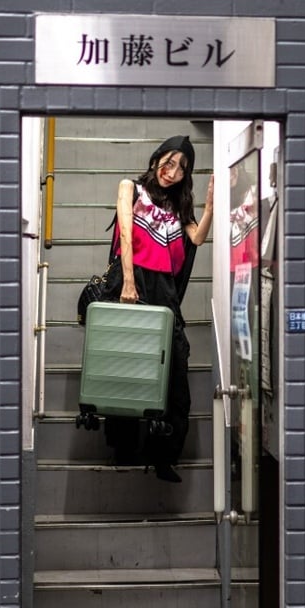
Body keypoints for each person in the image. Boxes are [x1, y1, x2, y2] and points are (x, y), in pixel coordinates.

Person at [106, 135, 214, 482]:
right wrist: (128, 282)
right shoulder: (130, 188)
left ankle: (165, 455)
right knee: (126, 367)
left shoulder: (178, 207)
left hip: (164, 291)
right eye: (169, 162)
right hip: (130, 281)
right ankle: (123, 449)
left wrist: (210, 207)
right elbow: (124, 233)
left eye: (182, 167)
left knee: (175, 370)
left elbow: (196, 239)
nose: (173, 171)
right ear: (156, 160)